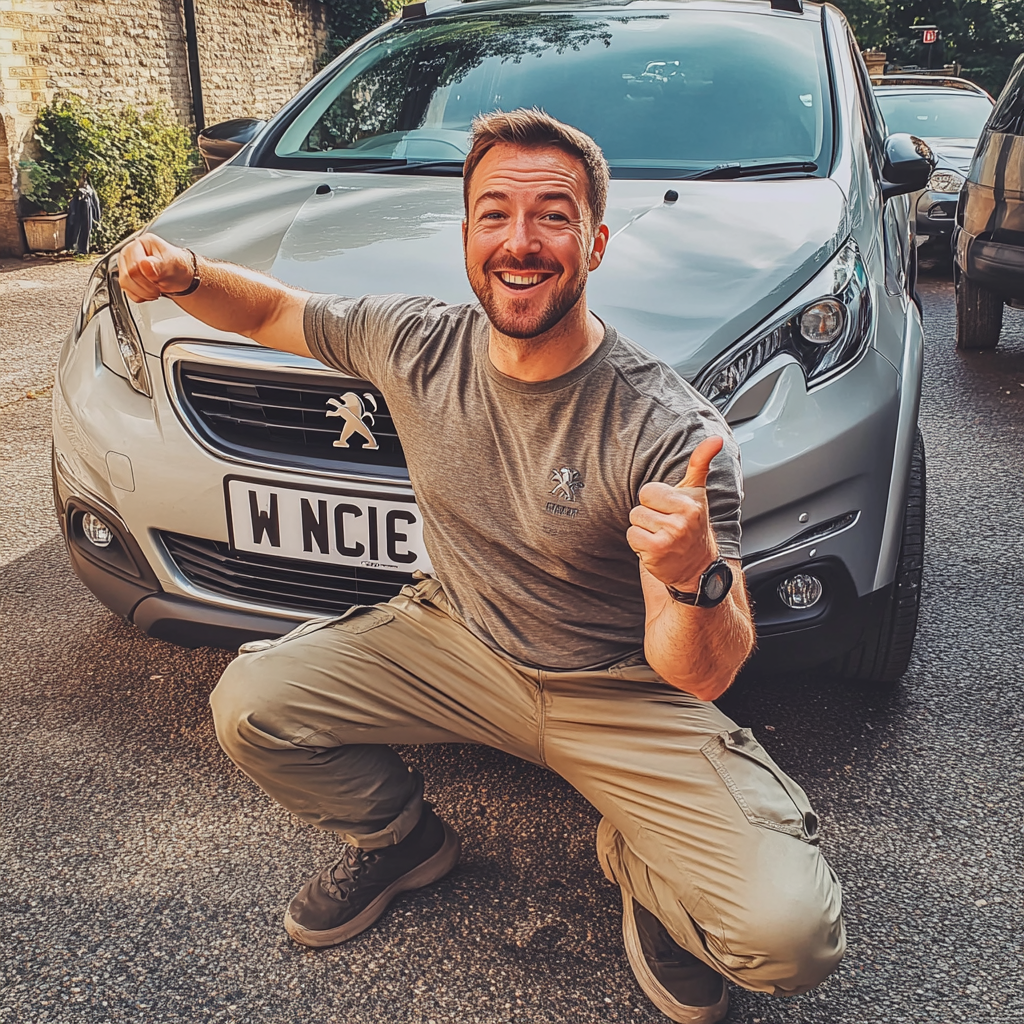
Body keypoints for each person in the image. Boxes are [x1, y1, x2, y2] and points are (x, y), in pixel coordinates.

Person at [118, 109, 844, 1024]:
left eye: (553, 215)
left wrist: (696, 571)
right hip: (458, 643)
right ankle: (402, 841)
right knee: (251, 704)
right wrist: (184, 274)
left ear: (596, 241)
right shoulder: (419, 343)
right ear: (466, 237)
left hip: (619, 687)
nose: (521, 241)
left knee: (790, 941)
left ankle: (648, 866)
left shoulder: (666, 429)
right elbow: (269, 310)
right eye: (495, 213)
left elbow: (701, 670)